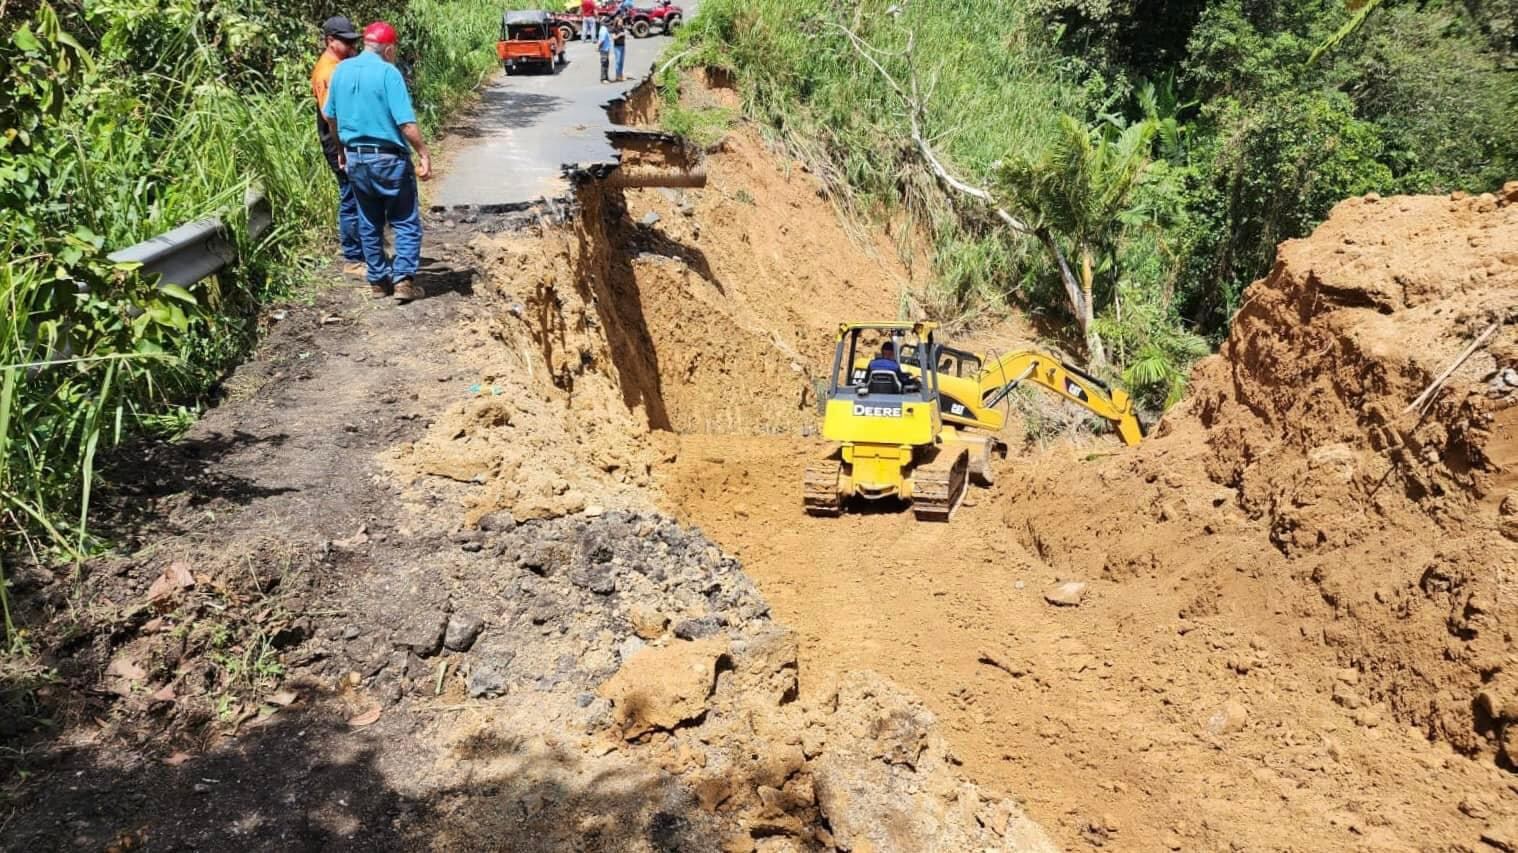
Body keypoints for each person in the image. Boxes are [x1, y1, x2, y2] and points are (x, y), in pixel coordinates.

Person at [323, 21, 432, 302]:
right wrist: (423, 152)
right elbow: (406, 123)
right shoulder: (388, 72)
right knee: (405, 220)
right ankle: (404, 282)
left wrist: (341, 149)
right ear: (388, 49)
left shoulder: (341, 71)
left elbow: (331, 117)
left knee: (368, 220)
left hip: (357, 158)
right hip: (389, 160)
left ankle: (378, 282)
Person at [310, 15, 365, 278]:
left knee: (358, 195)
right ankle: (353, 259)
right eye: (346, 43)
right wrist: (343, 149)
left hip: (346, 140)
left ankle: (361, 252)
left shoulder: (340, 65)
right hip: (337, 142)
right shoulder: (327, 72)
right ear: (330, 41)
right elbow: (330, 115)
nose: (352, 48)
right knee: (351, 197)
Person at [596, 17, 613, 82]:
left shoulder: (604, 29)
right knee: (604, 64)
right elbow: (602, 41)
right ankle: (603, 79)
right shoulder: (604, 30)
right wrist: (599, 47)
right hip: (604, 49)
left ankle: (606, 77)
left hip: (605, 48)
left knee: (606, 63)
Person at [611, 15, 627, 81]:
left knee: (621, 61)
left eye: (622, 22)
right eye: (620, 22)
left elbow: (624, 35)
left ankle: (621, 74)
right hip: (617, 47)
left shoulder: (622, 28)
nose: (621, 23)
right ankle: (617, 75)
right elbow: (613, 37)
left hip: (623, 45)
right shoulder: (614, 29)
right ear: (617, 22)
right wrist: (619, 35)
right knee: (618, 61)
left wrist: (625, 34)